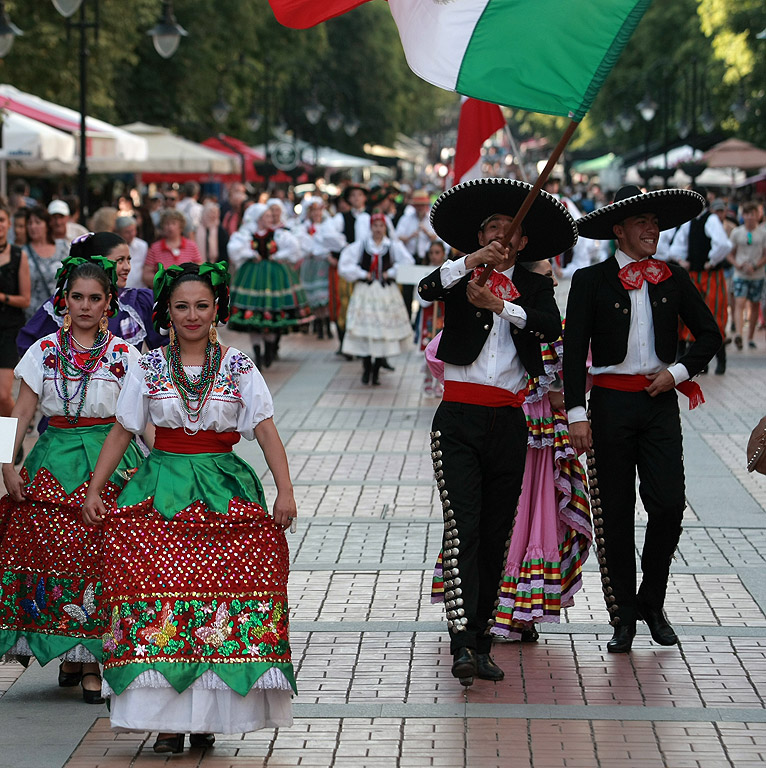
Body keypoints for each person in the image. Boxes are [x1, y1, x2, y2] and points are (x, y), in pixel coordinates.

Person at [82, 262, 296, 753]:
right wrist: (97, 489)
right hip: (159, 487)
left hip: (223, 488)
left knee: (221, 598)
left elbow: (264, 430)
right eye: (182, 306)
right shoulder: (148, 364)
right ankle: (168, 721)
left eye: (202, 305)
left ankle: (206, 718)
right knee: (155, 594)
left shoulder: (240, 365)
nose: (193, 315)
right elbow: (123, 428)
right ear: (167, 312)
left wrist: (284, 491)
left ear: (217, 307)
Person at [418, 178, 574, 685]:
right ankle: (461, 642)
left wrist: (500, 306)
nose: (502, 236)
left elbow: (549, 325)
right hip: (458, 418)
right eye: (492, 229)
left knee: (495, 537)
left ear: (524, 242)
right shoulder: (462, 276)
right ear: (480, 236)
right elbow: (425, 289)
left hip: (510, 421)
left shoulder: (533, 287)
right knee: (464, 529)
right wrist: (470, 262)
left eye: (511, 231)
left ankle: (482, 642)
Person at [565, 185, 723, 654]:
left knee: (670, 504)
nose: (652, 229)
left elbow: (711, 335)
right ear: (619, 231)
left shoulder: (672, 277)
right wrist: (577, 414)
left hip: (658, 407)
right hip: (610, 406)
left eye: (655, 222)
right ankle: (623, 619)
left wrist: (675, 374)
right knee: (614, 513)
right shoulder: (590, 280)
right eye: (641, 222)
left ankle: (651, 601)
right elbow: (574, 354)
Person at [0, 251, 143, 703]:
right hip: (53, 461)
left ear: (109, 303)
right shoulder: (42, 352)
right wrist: (6, 463)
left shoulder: (124, 354)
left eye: (94, 297)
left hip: (111, 458)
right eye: (76, 297)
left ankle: (93, 659)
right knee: (56, 556)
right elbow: (19, 412)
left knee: (102, 557)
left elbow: (141, 419)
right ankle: (72, 652)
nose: (84, 305)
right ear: (63, 300)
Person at [489, 259, 592, 640]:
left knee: (539, 515)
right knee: (513, 514)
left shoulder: (556, 327)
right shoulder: (511, 321)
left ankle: (522, 611)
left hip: (545, 435)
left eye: (552, 276)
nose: (549, 282)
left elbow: (572, 385)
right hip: (516, 427)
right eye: (543, 277)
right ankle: (503, 608)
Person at [17, 232, 166, 355]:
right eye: (120, 260)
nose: (127, 267)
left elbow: (166, 346)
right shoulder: (65, 303)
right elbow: (28, 343)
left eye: (128, 260)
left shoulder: (138, 302)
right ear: (98, 262)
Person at [227, 203, 311, 369]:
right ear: (258, 218)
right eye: (266, 216)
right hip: (253, 275)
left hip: (274, 275)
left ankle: (269, 349)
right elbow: (235, 248)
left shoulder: (278, 234)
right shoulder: (247, 234)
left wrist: (278, 255)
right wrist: (250, 254)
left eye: (270, 216)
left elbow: (295, 248)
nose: (270, 219)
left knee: (272, 312)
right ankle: (257, 352)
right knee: (253, 315)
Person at [339, 213, 414, 384]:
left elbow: (407, 261)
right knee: (366, 331)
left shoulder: (392, 245)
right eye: (375, 226)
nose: (378, 229)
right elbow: (345, 265)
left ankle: (377, 369)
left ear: (385, 228)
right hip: (365, 292)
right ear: (371, 227)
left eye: (381, 226)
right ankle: (366, 368)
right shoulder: (362, 245)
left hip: (385, 292)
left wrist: (391, 272)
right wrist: (361, 273)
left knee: (383, 331)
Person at [669, 191, 732, 374]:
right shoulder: (690, 221)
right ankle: (700, 362)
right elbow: (675, 247)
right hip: (694, 275)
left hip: (711, 275)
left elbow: (723, 244)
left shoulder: (710, 219)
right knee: (692, 317)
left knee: (715, 315)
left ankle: (721, 358)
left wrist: (711, 261)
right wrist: (681, 260)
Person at [296, 197, 347, 340]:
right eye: (313, 211)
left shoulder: (327, 226)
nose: (316, 214)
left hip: (323, 264)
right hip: (310, 264)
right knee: (314, 297)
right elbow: (305, 246)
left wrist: (325, 253)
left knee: (324, 295)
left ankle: (326, 325)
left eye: (319, 210)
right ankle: (318, 325)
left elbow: (331, 243)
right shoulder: (304, 227)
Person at [0, 201, 31, 420]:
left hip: (8, 330)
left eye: (1, 220)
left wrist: (2, 297)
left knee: (2, 395)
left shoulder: (19, 255)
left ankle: (12, 442)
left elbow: (25, 299)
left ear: (8, 224)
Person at [331, 184, 370, 356]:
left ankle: (364, 345)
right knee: (345, 303)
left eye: (359, 195)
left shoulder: (371, 217)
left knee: (366, 306)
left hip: (367, 269)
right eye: (353, 195)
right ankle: (343, 343)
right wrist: (345, 246)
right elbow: (328, 235)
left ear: (364, 198)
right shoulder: (342, 218)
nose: (356, 198)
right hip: (349, 269)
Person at [727, 201, 766, 350]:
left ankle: (750, 336)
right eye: (747, 214)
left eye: (753, 214)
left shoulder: (762, 233)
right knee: (739, 303)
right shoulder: (737, 232)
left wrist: (756, 265)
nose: (750, 217)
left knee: (755, 304)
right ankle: (738, 334)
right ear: (743, 216)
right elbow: (730, 253)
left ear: (758, 215)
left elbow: (765, 254)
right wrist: (737, 265)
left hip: (757, 274)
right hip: (740, 274)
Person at [23, 206, 69, 320]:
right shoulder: (22, 253)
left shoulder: (63, 247)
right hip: (32, 317)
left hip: (60, 316)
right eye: (29, 223)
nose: (33, 227)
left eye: (37, 222)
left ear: (47, 225)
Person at [143, 209, 202, 287]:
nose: (170, 227)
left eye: (174, 223)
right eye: (167, 224)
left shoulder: (192, 246)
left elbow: (200, 269)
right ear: (162, 227)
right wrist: (164, 280)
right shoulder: (155, 248)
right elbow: (146, 275)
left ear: (181, 227)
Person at [115, 215, 149, 290]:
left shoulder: (142, 245)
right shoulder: (113, 247)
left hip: (139, 289)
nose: (132, 234)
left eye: (133, 230)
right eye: (127, 232)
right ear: (118, 232)